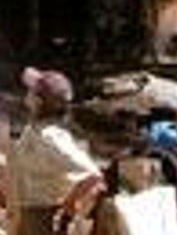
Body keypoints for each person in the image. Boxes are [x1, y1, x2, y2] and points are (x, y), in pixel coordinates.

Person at [9, 67, 104, 235]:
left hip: (45, 216)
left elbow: (93, 174)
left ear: (38, 102)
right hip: (30, 213)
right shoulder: (34, 129)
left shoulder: (52, 138)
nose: (26, 94)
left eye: (31, 91)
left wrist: (69, 205)